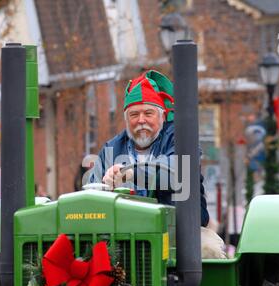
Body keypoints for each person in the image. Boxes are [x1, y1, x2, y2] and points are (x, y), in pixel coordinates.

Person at [89, 70, 209, 227]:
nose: (141, 120)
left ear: (163, 116)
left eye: (148, 113)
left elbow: (176, 172)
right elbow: (92, 194)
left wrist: (130, 172)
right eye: (134, 115)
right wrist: (103, 187)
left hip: (182, 230)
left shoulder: (182, 138)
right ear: (126, 120)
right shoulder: (111, 148)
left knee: (209, 250)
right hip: (127, 233)